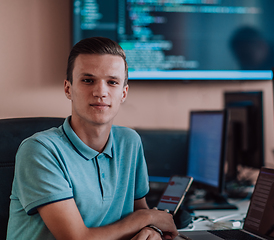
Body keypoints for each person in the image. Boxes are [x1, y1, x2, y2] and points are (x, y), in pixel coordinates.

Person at [6, 37, 178, 240]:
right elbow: (77, 238)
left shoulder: (130, 142)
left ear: (123, 93)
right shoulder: (39, 150)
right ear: (68, 88)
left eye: (112, 82)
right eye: (88, 80)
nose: (100, 92)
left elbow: (139, 210)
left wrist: (152, 229)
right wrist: (147, 218)